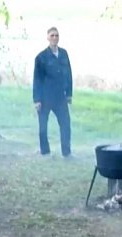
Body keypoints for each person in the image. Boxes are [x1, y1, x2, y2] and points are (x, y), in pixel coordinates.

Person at [33, 26, 73, 157]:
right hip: (45, 97)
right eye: (52, 35)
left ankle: (66, 152)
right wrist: (37, 100)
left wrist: (69, 93)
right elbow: (37, 79)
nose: (54, 38)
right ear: (47, 38)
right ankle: (45, 151)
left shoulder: (64, 54)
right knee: (43, 126)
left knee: (65, 124)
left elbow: (68, 74)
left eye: (56, 35)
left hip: (60, 97)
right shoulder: (41, 57)